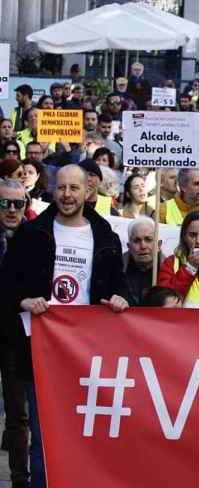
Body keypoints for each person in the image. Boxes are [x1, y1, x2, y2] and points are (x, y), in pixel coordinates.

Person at [7, 165, 130, 488]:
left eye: (74, 188)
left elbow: (120, 286)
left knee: (84, 435)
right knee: (44, 436)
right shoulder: (31, 234)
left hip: (88, 356)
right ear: (53, 190)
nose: (67, 195)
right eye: (61, 188)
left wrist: (121, 298)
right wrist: (23, 301)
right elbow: (7, 282)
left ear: (87, 191)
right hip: (40, 352)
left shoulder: (105, 237)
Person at [0, 179, 29, 487]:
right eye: (4, 203)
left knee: (18, 413)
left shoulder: (35, 239)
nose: (11, 210)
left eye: (17, 204)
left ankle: (20, 479)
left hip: (16, 336)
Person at [122, 217, 162, 307]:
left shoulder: (171, 270)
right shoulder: (116, 269)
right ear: (129, 246)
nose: (143, 246)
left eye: (148, 239)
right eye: (137, 241)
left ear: (159, 245)